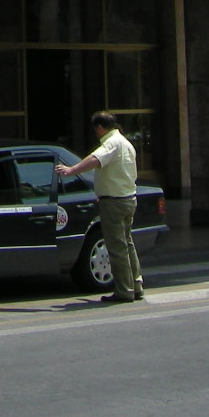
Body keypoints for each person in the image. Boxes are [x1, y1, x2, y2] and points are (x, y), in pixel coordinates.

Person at [55, 112, 144, 304]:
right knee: (127, 243)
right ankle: (136, 285)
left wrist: (71, 170)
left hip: (115, 202)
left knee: (117, 246)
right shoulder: (126, 143)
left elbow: (96, 159)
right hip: (128, 198)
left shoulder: (111, 143)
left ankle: (124, 290)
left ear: (100, 127)